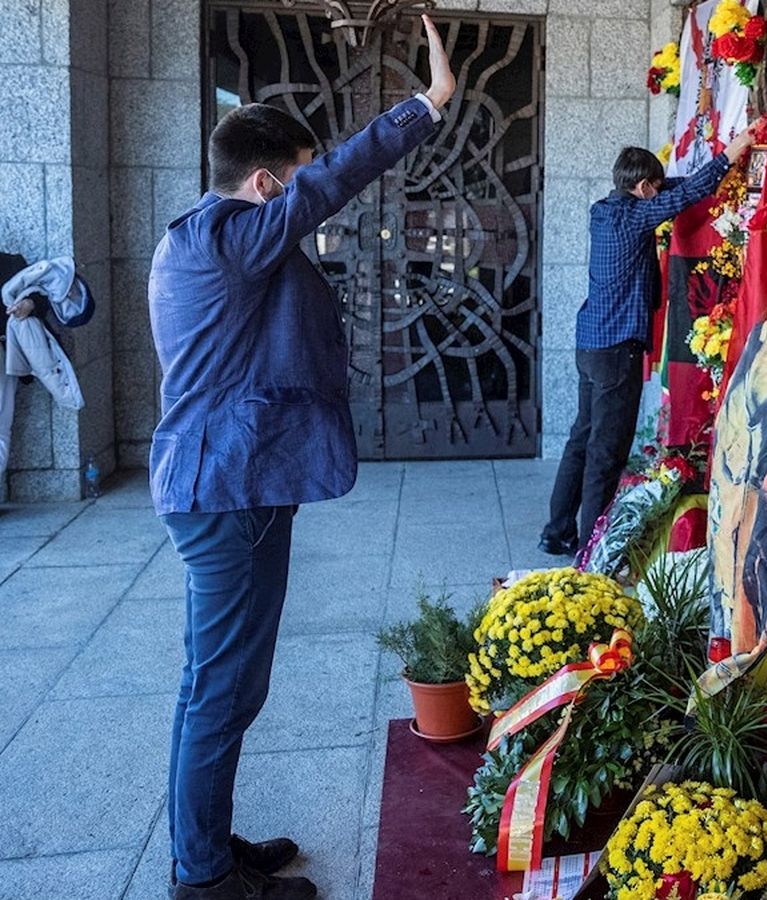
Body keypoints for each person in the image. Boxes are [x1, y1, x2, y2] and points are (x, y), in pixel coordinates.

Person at [146, 17, 456, 900]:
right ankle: (204, 877)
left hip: (224, 481)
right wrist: (426, 105)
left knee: (216, 687)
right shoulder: (229, 238)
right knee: (221, 692)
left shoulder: (196, 237)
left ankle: (205, 848)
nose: (301, 209)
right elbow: (329, 183)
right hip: (228, 488)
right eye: (290, 185)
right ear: (264, 183)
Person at [539, 127, 758, 556]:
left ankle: (556, 531)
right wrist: (730, 155)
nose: (658, 193)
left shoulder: (605, 210)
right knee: (606, 453)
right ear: (642, 188)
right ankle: (593, 550)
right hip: (617, 351)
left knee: (582, 438)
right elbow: (681, 197)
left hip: (590, 344)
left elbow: (673, 190)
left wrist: (718, 173)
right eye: (653, 188)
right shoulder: (635, 218)